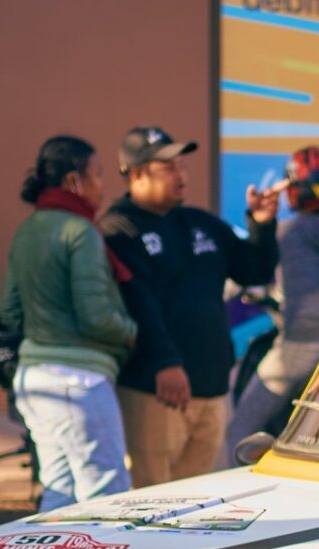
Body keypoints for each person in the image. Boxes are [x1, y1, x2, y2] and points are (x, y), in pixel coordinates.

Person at [100, 125, 278, 488]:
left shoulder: (201, 223)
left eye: (182, 165)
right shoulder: (119, 229)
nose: (181, 175)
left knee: (194, 500)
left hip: (211, 387)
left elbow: (253, 271)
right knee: (150, 495)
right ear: (136, 174)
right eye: (168, 167)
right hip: (155, 390)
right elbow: (137, 304)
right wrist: (163, 362)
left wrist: (261, 226)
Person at [0, 135, 138, 511]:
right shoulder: (81, 232)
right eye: (98, 175)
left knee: (58, 496)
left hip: (33, 379)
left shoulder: (27, 229)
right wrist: (131, 332)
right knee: (107, 498)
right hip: (79, 382)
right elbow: (96, 317)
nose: (103, 184)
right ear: (74, 181)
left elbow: (10, 311)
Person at [225, 147, 319, 456]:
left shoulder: (280, 234)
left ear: (292, 191)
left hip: (290, 354)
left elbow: (240, 280)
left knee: (240, 431)